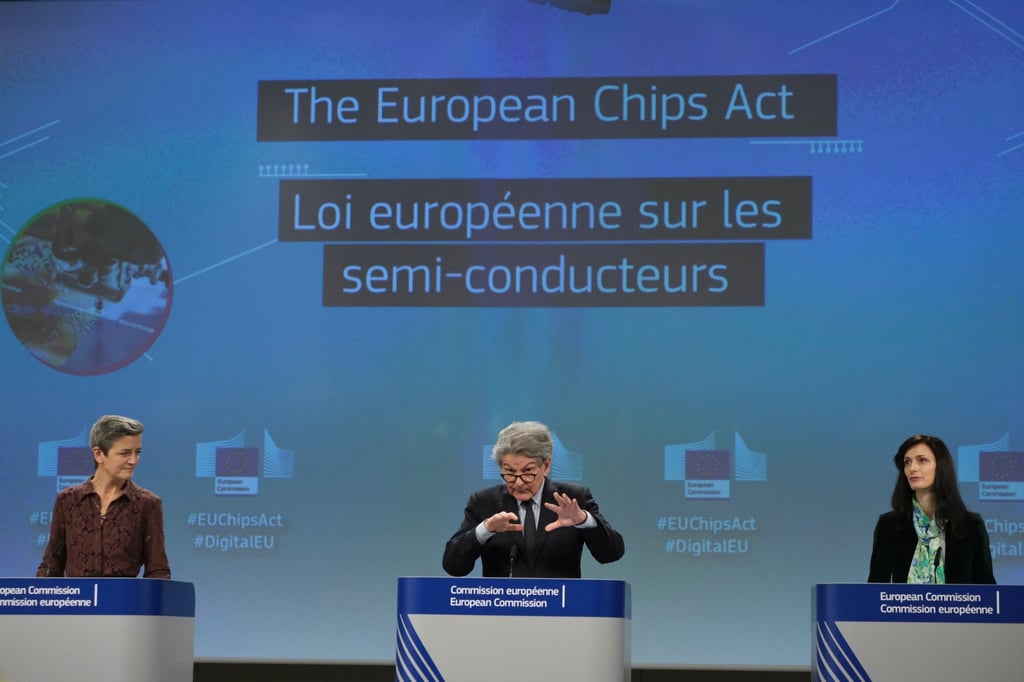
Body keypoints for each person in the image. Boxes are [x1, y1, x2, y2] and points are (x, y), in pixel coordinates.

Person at [443, 420, 624, 578]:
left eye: (528, 472)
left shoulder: (572, 499)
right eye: (510, 473)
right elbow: (453, 566)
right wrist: (485, 530)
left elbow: (611, 554)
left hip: (562, 612)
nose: (519, 482)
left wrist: (584, 521)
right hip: (502, 611)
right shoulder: (484, 502)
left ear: (546, 465)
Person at [37, 415, 171, 578]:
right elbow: (51, 566)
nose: (133, 460)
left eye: (137, 452)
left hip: (124, 602)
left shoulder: (148, 504)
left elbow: (158, 571)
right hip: (78, 602)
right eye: (125, 453)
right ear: (99, 454)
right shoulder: (68, 500)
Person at [868, 434, 994, 584]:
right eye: (907, 462)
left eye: (922, 460)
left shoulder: (971, 525)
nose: (912, 468)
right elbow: (875, 590)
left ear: (941, 467)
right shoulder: (889, 525)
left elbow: (987, 591)